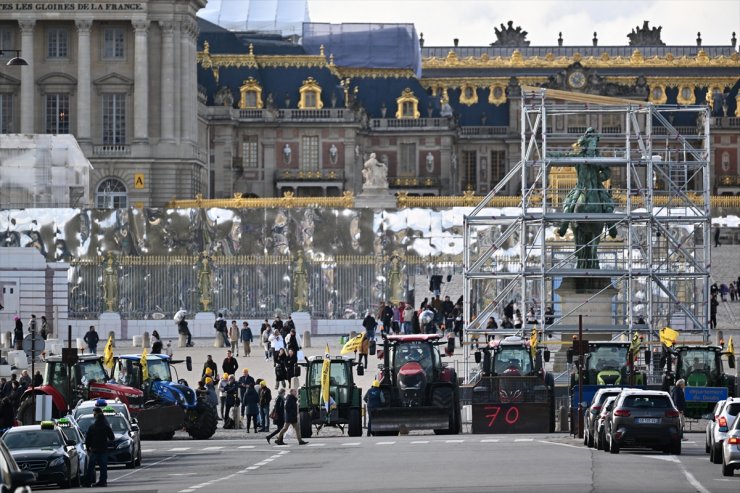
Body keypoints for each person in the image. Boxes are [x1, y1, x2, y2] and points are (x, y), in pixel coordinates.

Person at [85, 407, 115, 487]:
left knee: (91, 467)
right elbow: (112, 437)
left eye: (94, 413)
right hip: (103, 449)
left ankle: (88, 482)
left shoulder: (92, 426)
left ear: (96, 414)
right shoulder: (106, 425)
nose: (93, 415)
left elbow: (88, 439)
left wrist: (88, 448)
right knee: (103, 467)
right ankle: (103, 482)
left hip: (94, 450)